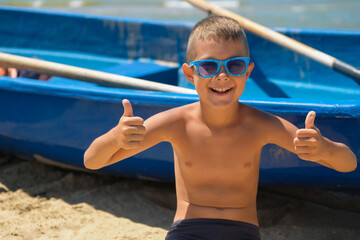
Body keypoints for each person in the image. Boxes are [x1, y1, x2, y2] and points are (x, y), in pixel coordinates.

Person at [83, 16, 357, 240]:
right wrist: (115, 137)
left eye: (234, 65)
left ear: (247, 72)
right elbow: (93, 160)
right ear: (190, 74)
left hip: (242, 231)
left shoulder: (260, 125)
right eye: (209, 66)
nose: (222, 75)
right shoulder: (176, 123)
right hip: (188, 231)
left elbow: (348, 164)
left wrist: (323, 147)